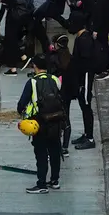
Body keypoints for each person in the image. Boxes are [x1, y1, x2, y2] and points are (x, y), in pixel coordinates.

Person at [17, 53, 67, 193]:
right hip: (56, 121)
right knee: (55, 151)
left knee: (41, 153)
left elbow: (21, 104)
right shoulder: (56, 80)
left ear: (35, 66)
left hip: (39, 123)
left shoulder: (32, 82)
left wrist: (22, 113)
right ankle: (55, 180)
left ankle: (41, 184)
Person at [67, 17, 98, 150]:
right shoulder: (82, 38)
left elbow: (84, 62)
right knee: (83, 104)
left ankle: (90, 138)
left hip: (85, 76)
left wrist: (80, 81)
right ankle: (86, 134)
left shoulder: (84, 39)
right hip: (81, 77)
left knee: (86, 104)